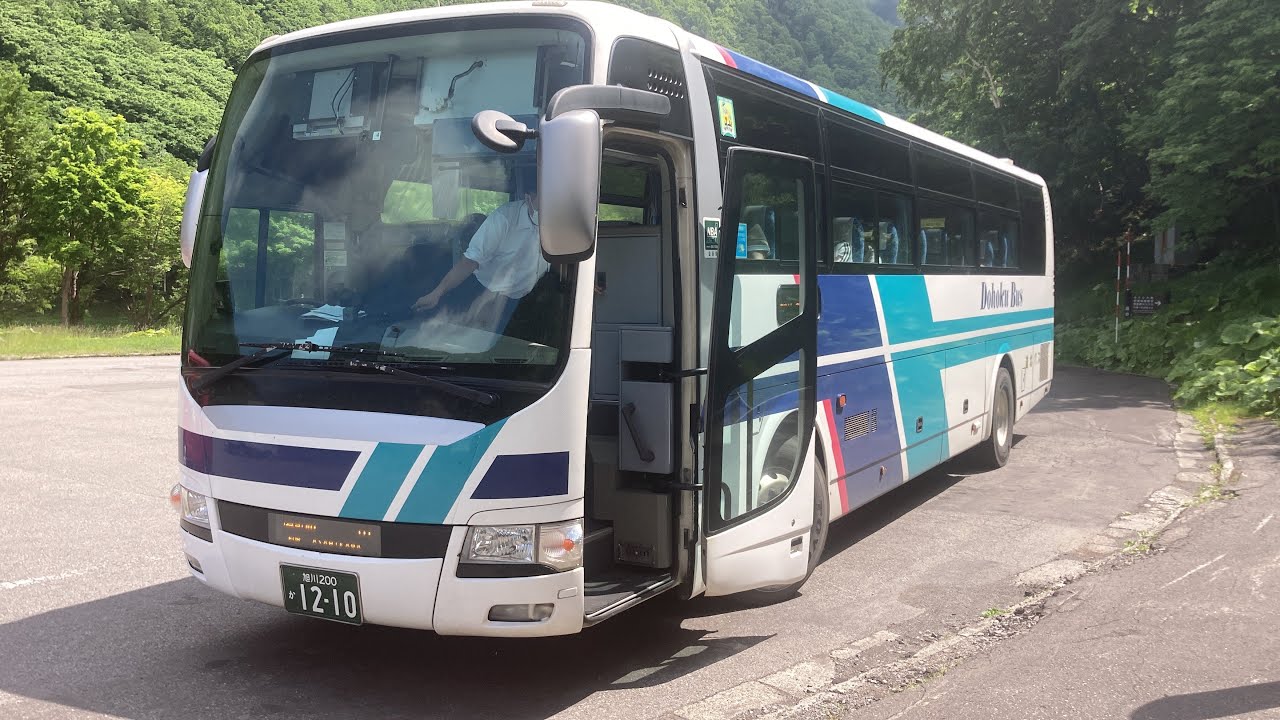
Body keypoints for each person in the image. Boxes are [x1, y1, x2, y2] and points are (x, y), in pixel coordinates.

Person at [412, 192, 548, 331]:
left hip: (531, 301)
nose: (546, 208)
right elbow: (470, 261)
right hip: (486, 295)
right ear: (528, 198)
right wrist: (437, 293)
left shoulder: (560, 222)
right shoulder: (504, 218)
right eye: (541, 201)